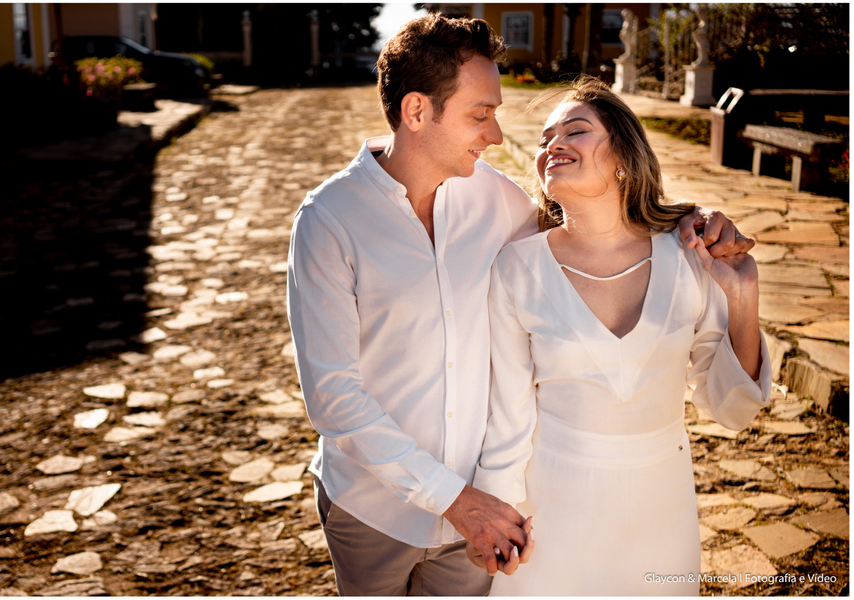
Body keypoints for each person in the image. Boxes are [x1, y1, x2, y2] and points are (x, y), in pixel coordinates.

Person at [286, 15, 751, 596]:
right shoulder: (329, 222)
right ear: (416, 112)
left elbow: (596, 228)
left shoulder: (499, 202)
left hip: (481, 514)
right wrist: (458, 502)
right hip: (374, 509)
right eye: (480, 115)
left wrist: (688, 222)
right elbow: (333, 398)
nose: (497, 136)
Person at [470, 77, 772, 596]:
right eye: (544, 140)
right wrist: (496, 516)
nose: (552, 145)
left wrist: (743, 295)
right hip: (550, 518)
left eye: (576, 130)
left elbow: (732, 407)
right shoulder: (517, 267)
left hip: (660, 514)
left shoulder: (688, 257)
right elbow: (508, 417)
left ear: (623, 158)